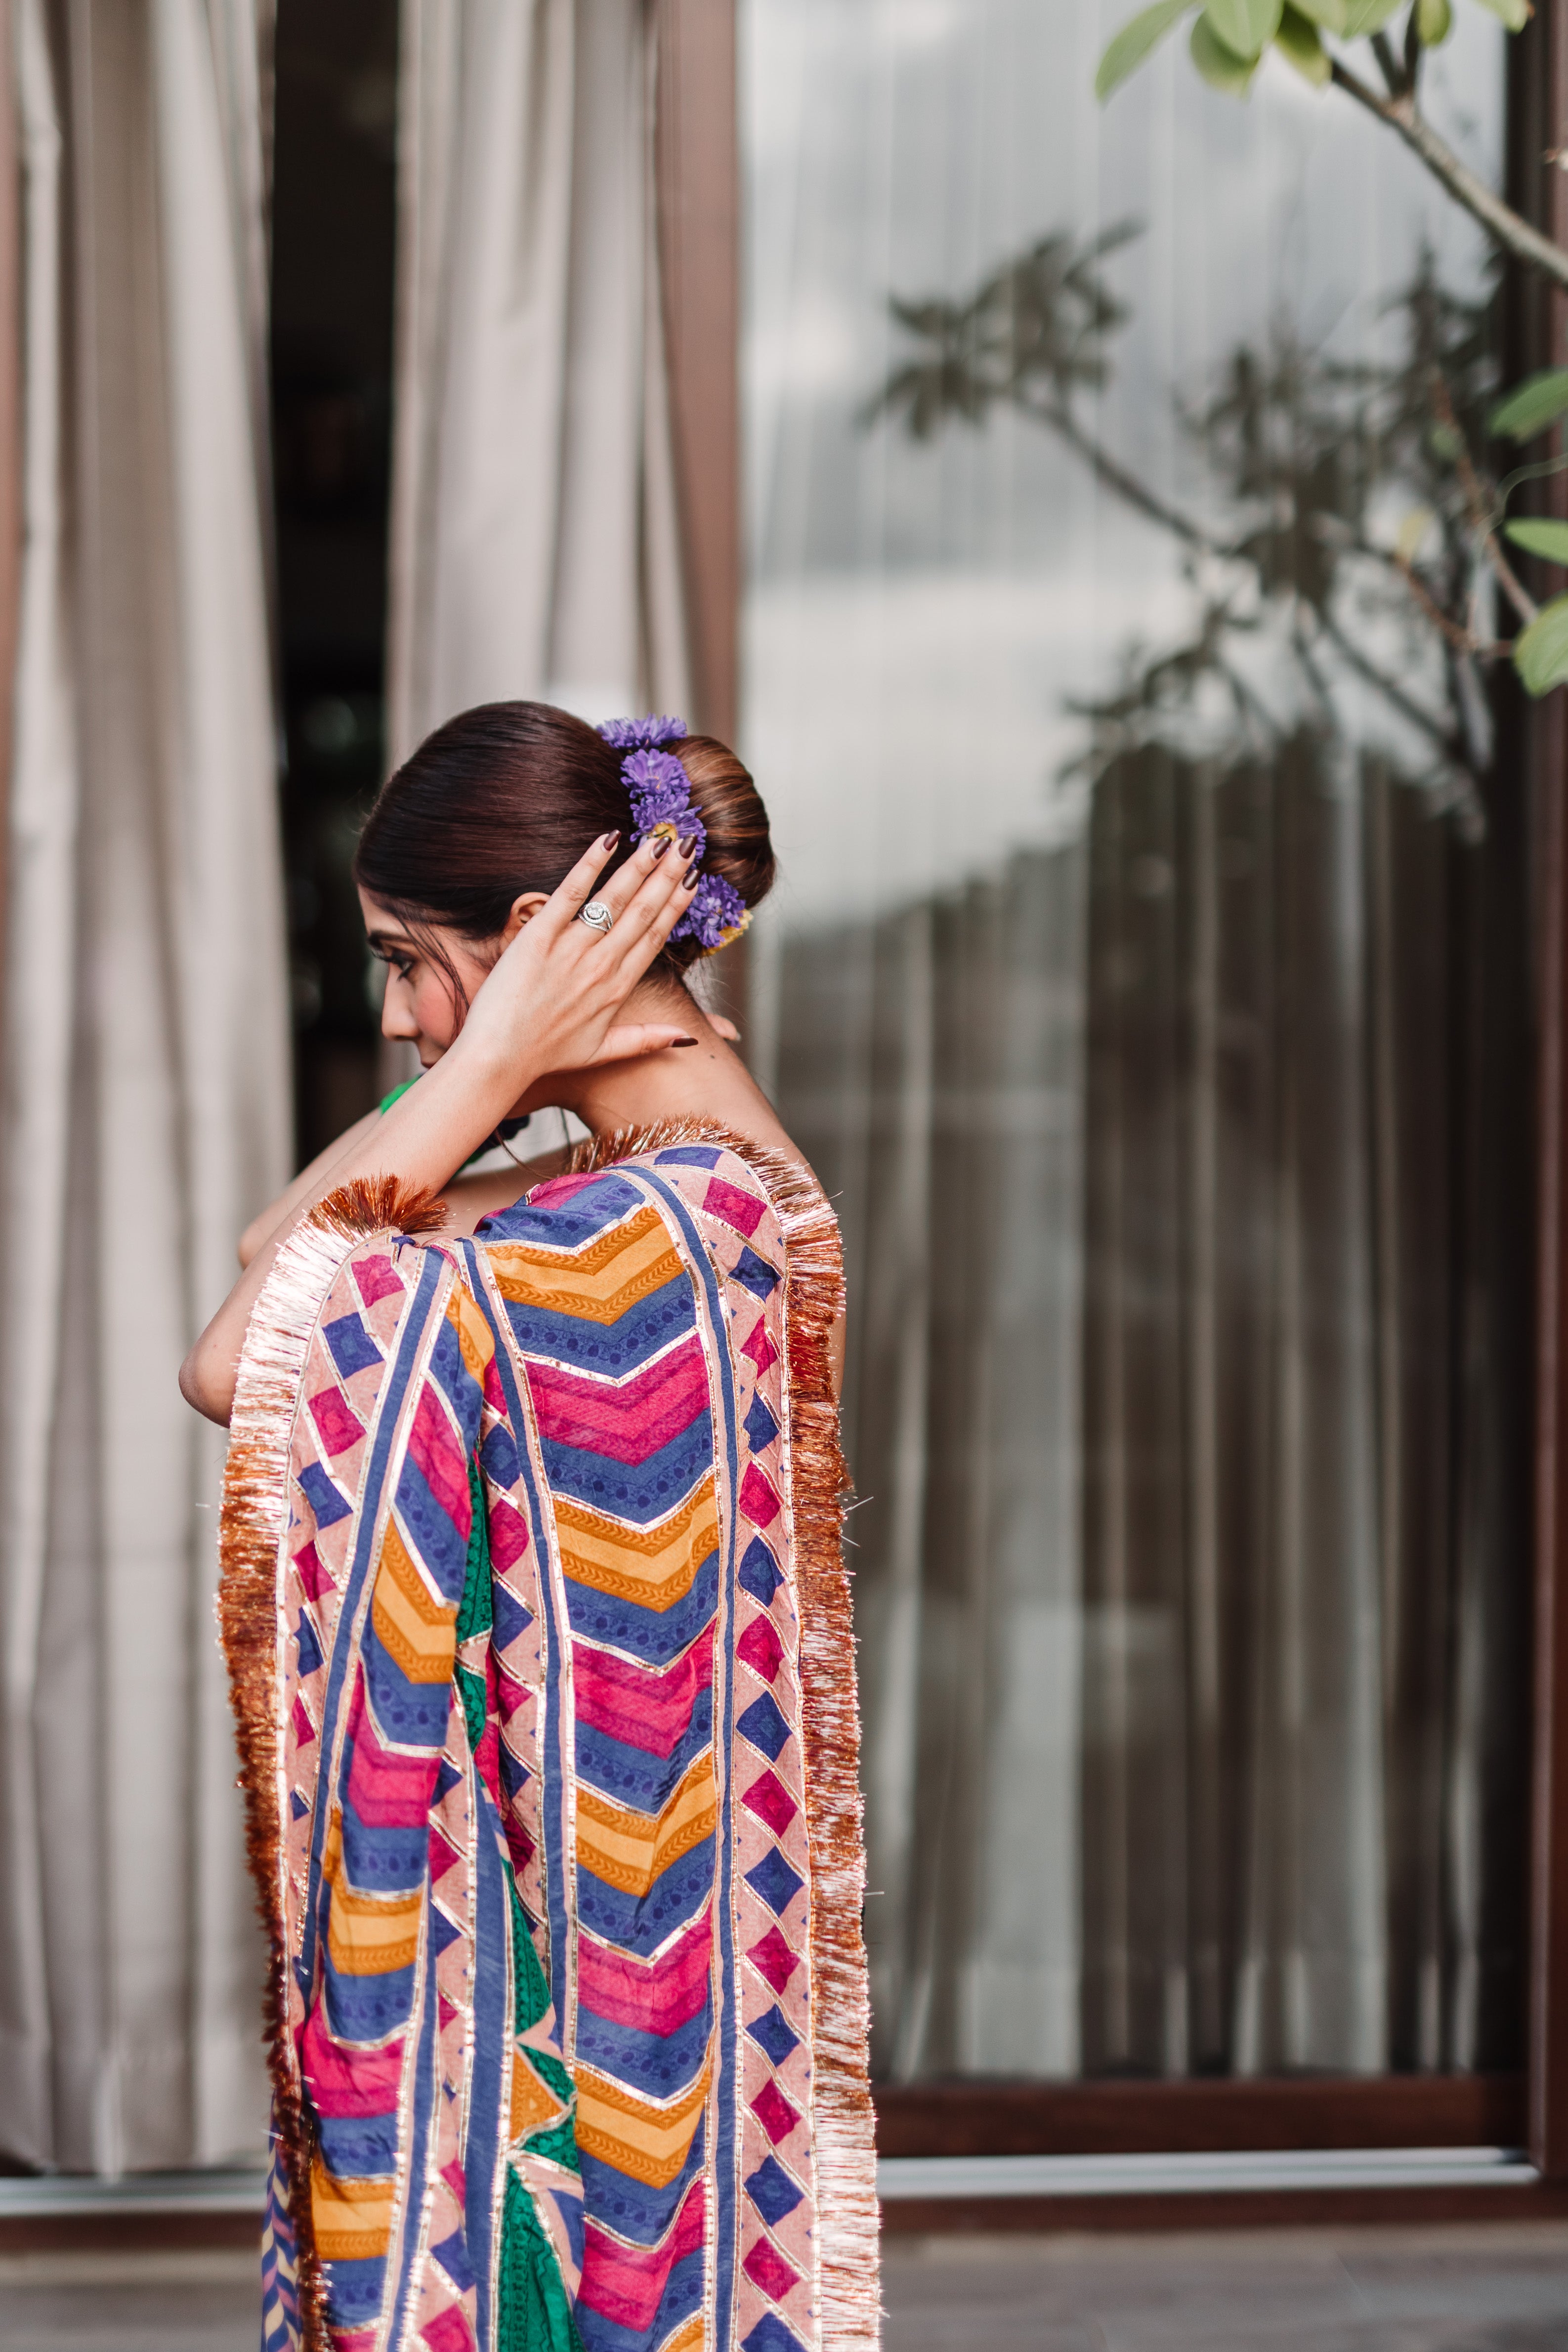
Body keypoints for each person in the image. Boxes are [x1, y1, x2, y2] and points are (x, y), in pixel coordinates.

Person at [181, 705, 879, 2352]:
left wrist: (491, 1063)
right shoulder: (642, 1172)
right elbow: (271, 1253)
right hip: (582, 1973)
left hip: (567, 2017)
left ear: (535, 936)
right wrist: (494, 1060)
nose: (401, 1018)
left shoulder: (672, 1230)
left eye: (407, 961)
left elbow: (235, 1357)